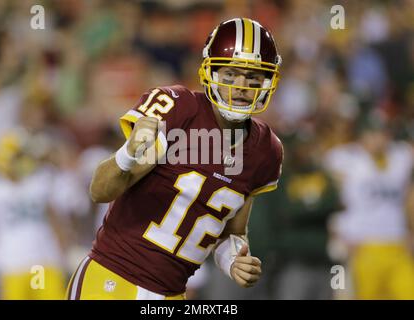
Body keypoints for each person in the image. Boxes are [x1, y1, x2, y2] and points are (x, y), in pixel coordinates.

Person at [67, 18, 284, 300]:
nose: (242, 86)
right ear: (211, 73)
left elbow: (231, 231)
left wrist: (232, 260)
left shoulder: (266, 150)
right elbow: (99, 191)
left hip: (173, 294)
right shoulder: (180, 110)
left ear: (268, 81)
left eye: (253, 77)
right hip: (113, 278)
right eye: (231, 74)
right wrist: (128, 153)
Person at [324, 115, 414, 299]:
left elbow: (408, 196)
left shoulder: (401, 156)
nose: (379, 138)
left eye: (383, 133)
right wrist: (339, 228)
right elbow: (332, 197)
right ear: (362, 136)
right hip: (362, 245)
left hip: (397, 243)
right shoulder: (344, 159)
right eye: (373, 134)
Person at [0, 129, 67, 299]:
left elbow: (54, 220)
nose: (25, 161)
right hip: (10, 264)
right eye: (19, 156)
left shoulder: (40, 181)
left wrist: (62, 250)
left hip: (42, 261)